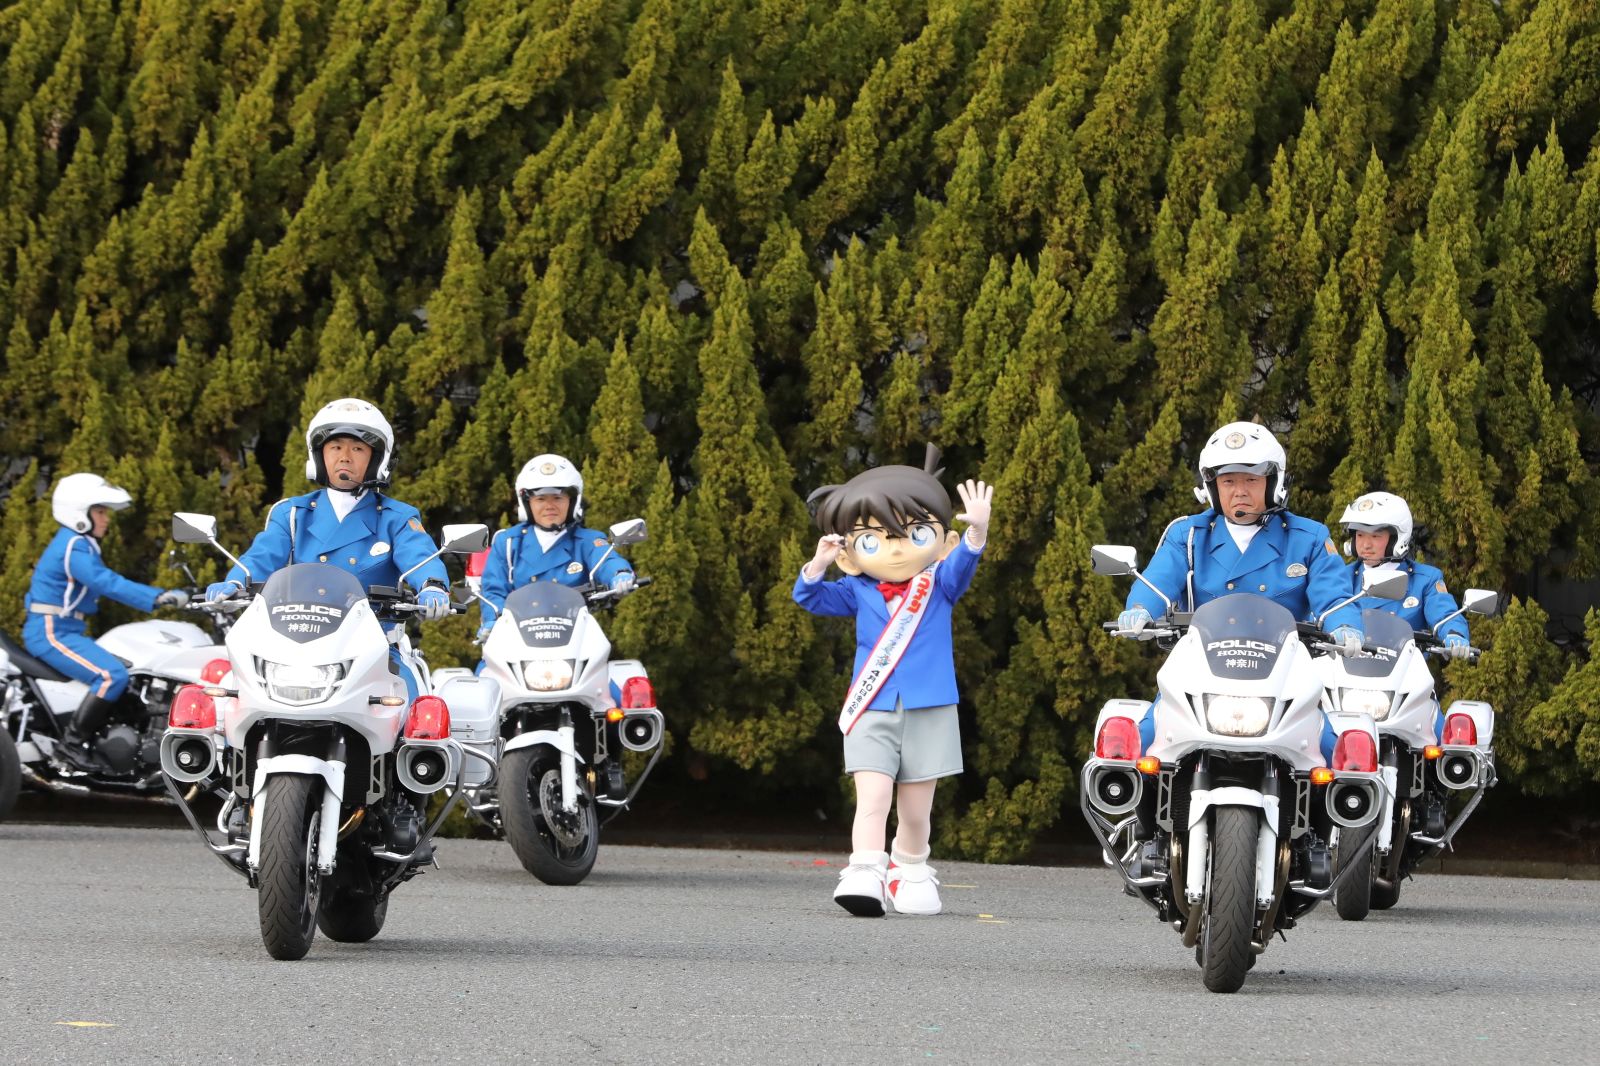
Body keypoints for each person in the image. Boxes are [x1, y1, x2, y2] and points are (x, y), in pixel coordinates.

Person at [793, 446, 992, 918]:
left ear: (941, 540)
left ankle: (910, 867)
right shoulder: (856, 589)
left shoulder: (939, 583)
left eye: (915, 531)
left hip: (930, 706)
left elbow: (963, 566)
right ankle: (865, 870)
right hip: (872, 706)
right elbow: (810, 598)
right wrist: (818, 563)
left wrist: (977, 532)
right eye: (876, 538)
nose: (897, 547)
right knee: (874, 796)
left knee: (917, 811)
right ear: (852, 554)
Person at [1116, 421, 1362, 757]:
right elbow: (1160, 579)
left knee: (1345, 758)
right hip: (1200, 670)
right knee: (1132, 744)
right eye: (1228, 481)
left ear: (1273, 483)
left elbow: (1333, 594)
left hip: (1284, 674)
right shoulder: (1187, 535)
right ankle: (1130, 805)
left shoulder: (1309, 537)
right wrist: (1141, 610)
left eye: (1251, 479)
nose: (1240, 490)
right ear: (1212, 487)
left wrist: (1345, 626)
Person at [204, 398, 451, 700]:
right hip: (292, 644)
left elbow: (420, 556)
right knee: (230, 698)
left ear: (377, 459)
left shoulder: (396, 517)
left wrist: (433, 586)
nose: (345, 457)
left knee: (414, 712)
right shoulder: (293, 514)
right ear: (319, 456)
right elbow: (262, 556)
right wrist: (234, 581)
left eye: (357, 449)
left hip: (373, 649)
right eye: (335, 448)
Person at [25, 473, 189, 771]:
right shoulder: (73, 545)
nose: (106, 519)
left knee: (129, 671)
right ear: (79, 514)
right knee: (112, 676)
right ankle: (70, 746)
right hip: (51, 631)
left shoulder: (81, 544)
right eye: (100, 511)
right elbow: (106, 582)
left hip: (67, 630)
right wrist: (157, 597)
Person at [474, 454, 635, 641]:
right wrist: (495, 621)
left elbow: (607, 560)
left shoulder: (587, 540)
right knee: (486, 671)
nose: (549, 506)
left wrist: (620, 574)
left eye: (558, 498)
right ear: (527, 503)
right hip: (516, 639)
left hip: (573, 639)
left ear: (572, 502)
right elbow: (493, 590)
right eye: (541, 499)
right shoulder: (508, 542)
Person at [1339, 491, 1470, 656]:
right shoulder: (1342, 577)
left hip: (1404, 674)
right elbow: (1323, 609)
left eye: (1375, 536)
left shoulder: (1424, 580)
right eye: (1359, 535)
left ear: (1397, 538)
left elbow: (1444, 613)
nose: (1365, 544)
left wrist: (1454, 633)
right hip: (1347, 669)